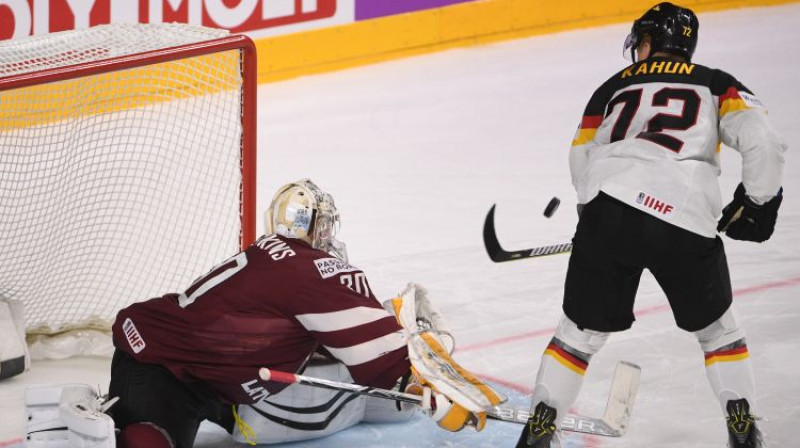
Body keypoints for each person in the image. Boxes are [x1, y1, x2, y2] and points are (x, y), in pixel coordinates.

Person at [514, 3, 786, 448]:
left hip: (608, 210)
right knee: (719, 333)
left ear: (651, 41)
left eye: (640, 40)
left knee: (576, 336)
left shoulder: (610, 87)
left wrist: (592, 217)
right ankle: (741, 421)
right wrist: (759, 202)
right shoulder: (716, 82)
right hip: (682, 213)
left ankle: (542, 424)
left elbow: (581, 156)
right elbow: (763, 140)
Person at [102, 178, 496, 448]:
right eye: (323, 226)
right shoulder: (308, 271)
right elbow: (384, 362)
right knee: (148, 439)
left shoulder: (274, 258)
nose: (328, 236)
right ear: (310, 227)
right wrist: (427, 392)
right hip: (162, 365)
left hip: (219, 381)